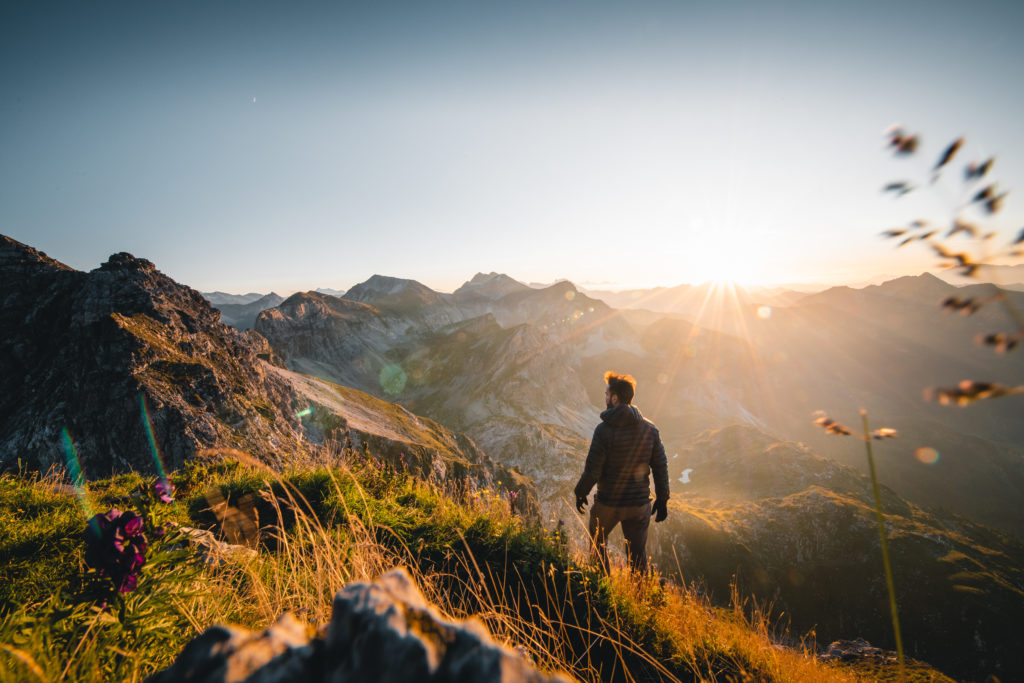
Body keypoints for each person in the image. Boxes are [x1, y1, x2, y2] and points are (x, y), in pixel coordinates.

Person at [574, 371, 669, 574]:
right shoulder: (650, 430)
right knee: (638, 556)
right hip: (639, 504)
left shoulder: (603, 430)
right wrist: (662, 499)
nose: (605, 397)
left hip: (609, 503)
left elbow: (593, 471)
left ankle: (602, 592)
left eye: (607, 394)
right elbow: (660, 467)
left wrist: (580, 492)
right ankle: (639, 598)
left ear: (615, 398)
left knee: (597, 545)